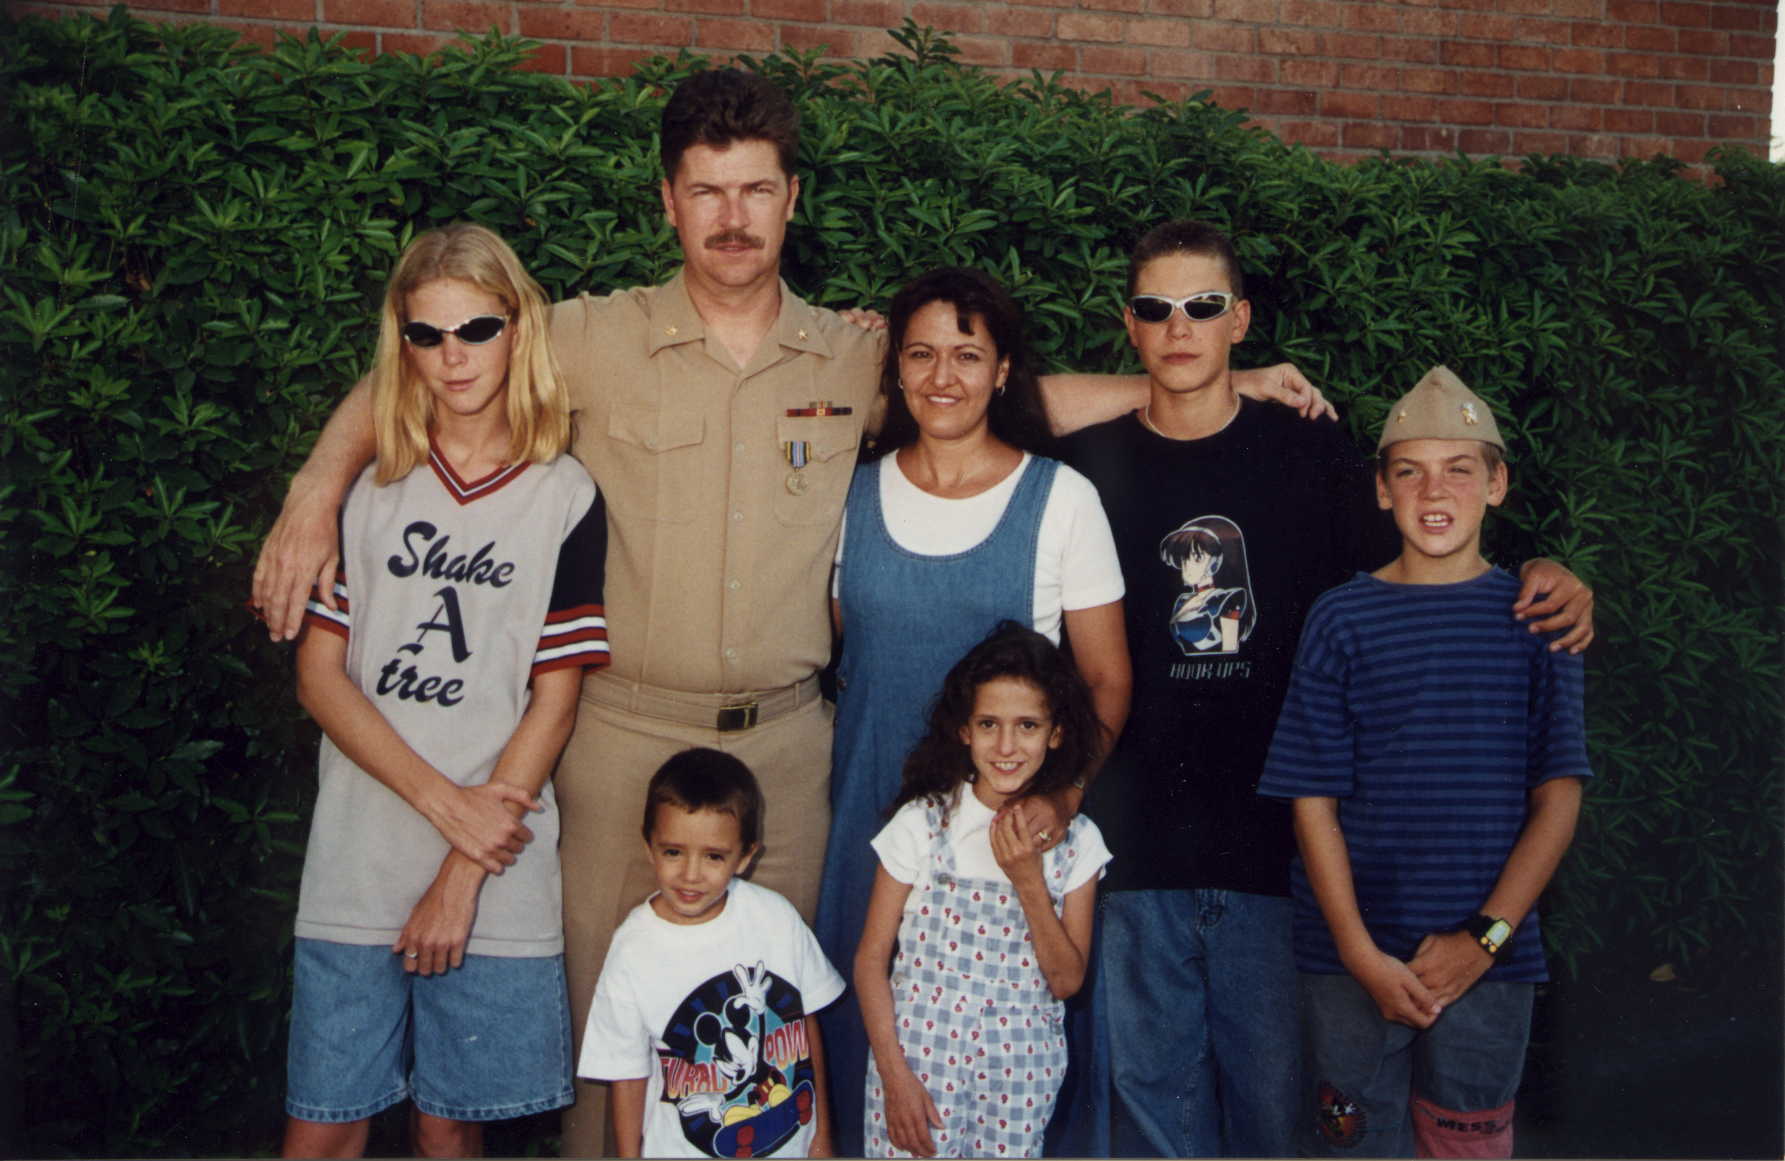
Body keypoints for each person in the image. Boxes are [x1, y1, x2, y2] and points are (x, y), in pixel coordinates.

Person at [249, 71, 1326, 1156]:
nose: (732, 216)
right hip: (618, 738)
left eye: (755, 189)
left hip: (790, 755)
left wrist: (1195, 384)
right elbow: (431, 359)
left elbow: (1012, 392)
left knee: (778, 1057)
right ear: (668, 200)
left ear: (792, 198)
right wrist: (315, 488)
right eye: (707, 190)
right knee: (611, 1044)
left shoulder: (853, 353)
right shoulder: (585, 338)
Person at [1055, 221, 1595, 1157]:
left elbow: (1428, 554)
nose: (1179, 327)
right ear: (1128, 325)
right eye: (1155, 309)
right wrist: (1204, 379)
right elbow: (984, 393)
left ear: (1242, 318)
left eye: (1204, 307)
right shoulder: (1091, 461)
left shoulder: (1308, 455)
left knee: (1283, 1110)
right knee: (1151, 1104)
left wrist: (1546, 570)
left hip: (1282, 861)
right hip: (1136, 838)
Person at [282, 224, 611, 1158]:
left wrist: (465, 862)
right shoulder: (371, 483)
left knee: (446, 1126)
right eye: (426, 335)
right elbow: (319, 674)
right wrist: (445, 808)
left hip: (497, 861)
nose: (452, 355)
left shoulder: (565, 493)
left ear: (518, 328)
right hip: (361, 849)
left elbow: (553, 701)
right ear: (402, 343)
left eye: (475, 327)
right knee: (321, 1128)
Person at [813, 267, 1129, 1153]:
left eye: (966, 354)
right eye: (919, 355)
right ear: (895, 371)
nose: (941, 377)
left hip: (1001, 846)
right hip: (869, 823)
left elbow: (1105, 683)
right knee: (865, 1072)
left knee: (999, 1092)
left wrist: (1058, 804)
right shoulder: (852, 492)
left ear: (1002, 372)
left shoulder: (1059, 499)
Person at [1257, 366, 1591, 1157]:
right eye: (1408, 470)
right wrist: (1356, 951)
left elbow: (1558, 798)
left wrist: (1484, 938)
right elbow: (1312, 800)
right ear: (1380, 489)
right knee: (1354, 1138)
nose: (1432, 491)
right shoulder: (1340, 617)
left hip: (1490, 963)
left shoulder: (1535, 621)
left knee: (1466, 1140)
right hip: (1349, 960)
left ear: (1497, 483)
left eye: (1459, 469)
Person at [855, 624, 1112, 1159]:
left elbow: (1066, 981)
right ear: (964, 731)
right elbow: (870, 960)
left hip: (1020, 1076)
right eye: (989, 724)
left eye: (1027, 726)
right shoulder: (923, 823)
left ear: (1056, 733)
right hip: (918, 1073)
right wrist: (893, 1076)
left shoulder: (1079, 843)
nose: (1006, 746)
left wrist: (1027, 880)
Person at [579, 748, 845, 1158]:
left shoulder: (775, 918)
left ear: (745, 857)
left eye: (714, 857)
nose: (690, 874)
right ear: (649, 847)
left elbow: (806, 1028)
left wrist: (821, 1137)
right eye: (673, 852)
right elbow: (626, 1073)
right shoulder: (634, 948)